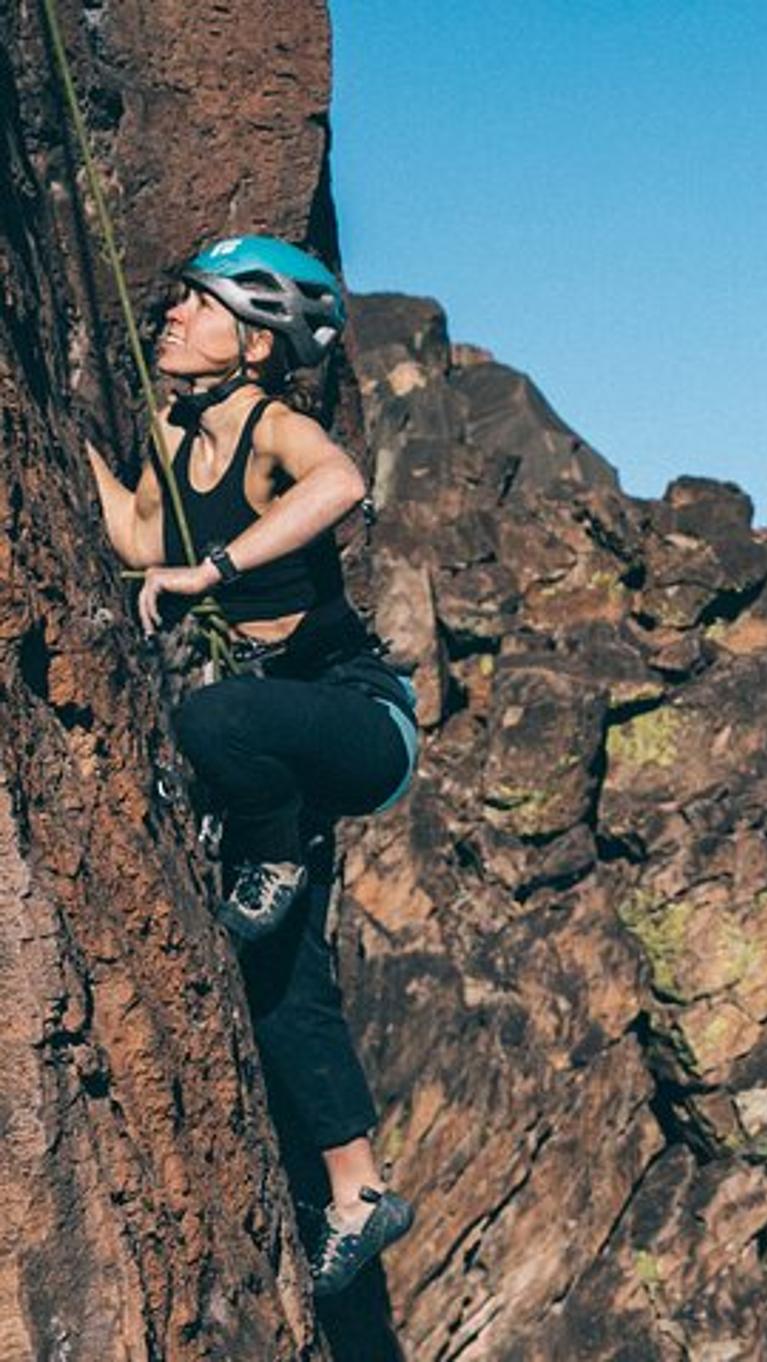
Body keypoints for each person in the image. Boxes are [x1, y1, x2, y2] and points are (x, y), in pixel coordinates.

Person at [82, 234, 419, 1297]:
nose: (171, 316)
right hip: (288, 741)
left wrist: (213, 569)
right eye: (175, 300)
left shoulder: (280, 425)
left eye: (197, 304)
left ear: (259, 343)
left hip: (357, 718)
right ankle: (359, 1192)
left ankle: (267, 866)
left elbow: (339, 487)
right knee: (277, 982)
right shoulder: (175, 430)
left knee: (219, 718)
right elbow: (139, 534)